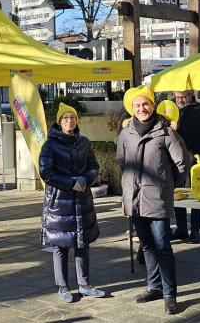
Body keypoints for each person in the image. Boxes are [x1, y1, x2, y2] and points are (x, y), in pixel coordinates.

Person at [116, 87, 189, 315]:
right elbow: (121, 163)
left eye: (145, 104)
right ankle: (153, 287)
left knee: (163, 247)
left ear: (152, 105)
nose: (142, 109)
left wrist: (166, 186)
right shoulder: (125, 134)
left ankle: (170, 294)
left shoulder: (166, 132)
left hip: (157, 199)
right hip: (134, 199)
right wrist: (126, 193)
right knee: (146, 246)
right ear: (132, 108)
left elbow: (182, 164)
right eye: (137, 105)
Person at [39, 103, 106, 303]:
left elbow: (94, 166)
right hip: (60, 202)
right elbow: (46, 172)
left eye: (72, 117)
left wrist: (85, 180)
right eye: (65, 118)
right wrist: (70, 183)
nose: (70, 121)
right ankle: (63, 286)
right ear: (59, 122)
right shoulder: (50, 145)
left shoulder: (84, 142)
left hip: (82, 200)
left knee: (82, 243)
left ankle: (84, 285)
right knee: (60, 245)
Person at [172, 90, 200, 244]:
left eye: (183, 97)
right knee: (177, 193)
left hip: (196, 157)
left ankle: (195, 229)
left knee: (199, 193)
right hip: (174, 158)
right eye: (177, 97)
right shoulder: (171, 110)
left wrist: (194, 152)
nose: (180, 100)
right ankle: (181, 229)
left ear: (191, 95)